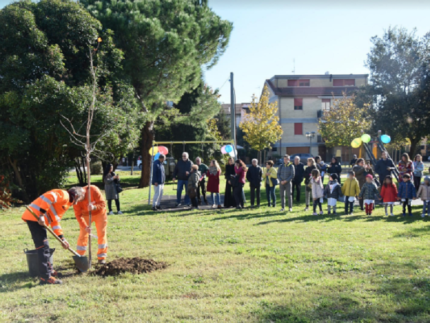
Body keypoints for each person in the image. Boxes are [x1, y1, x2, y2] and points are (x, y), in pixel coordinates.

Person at [21, 187, 84, 285]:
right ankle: (45, 277)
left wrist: (62, 239)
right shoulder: (64, 195)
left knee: (45, 247)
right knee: (42, 247)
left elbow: (55, 221)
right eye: (80, 199)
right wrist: (41, 214)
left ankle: (49, 271)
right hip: (35, 218)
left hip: (38, 220)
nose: (78, 202)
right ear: (76, 196)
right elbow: (49, 197)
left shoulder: (66, 204)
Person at [74, 185, 109, 264]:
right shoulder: (75, 199)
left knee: (101, 233)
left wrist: (94, 207)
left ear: (82, 194)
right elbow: (78, 215)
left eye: (79, 200)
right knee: (83, 234)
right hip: (85, 215)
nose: (77, 202)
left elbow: (103, 204)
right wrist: (85, 226)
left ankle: (101, 257)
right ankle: (80, 256)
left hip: (100, 213)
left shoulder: (93, 190)